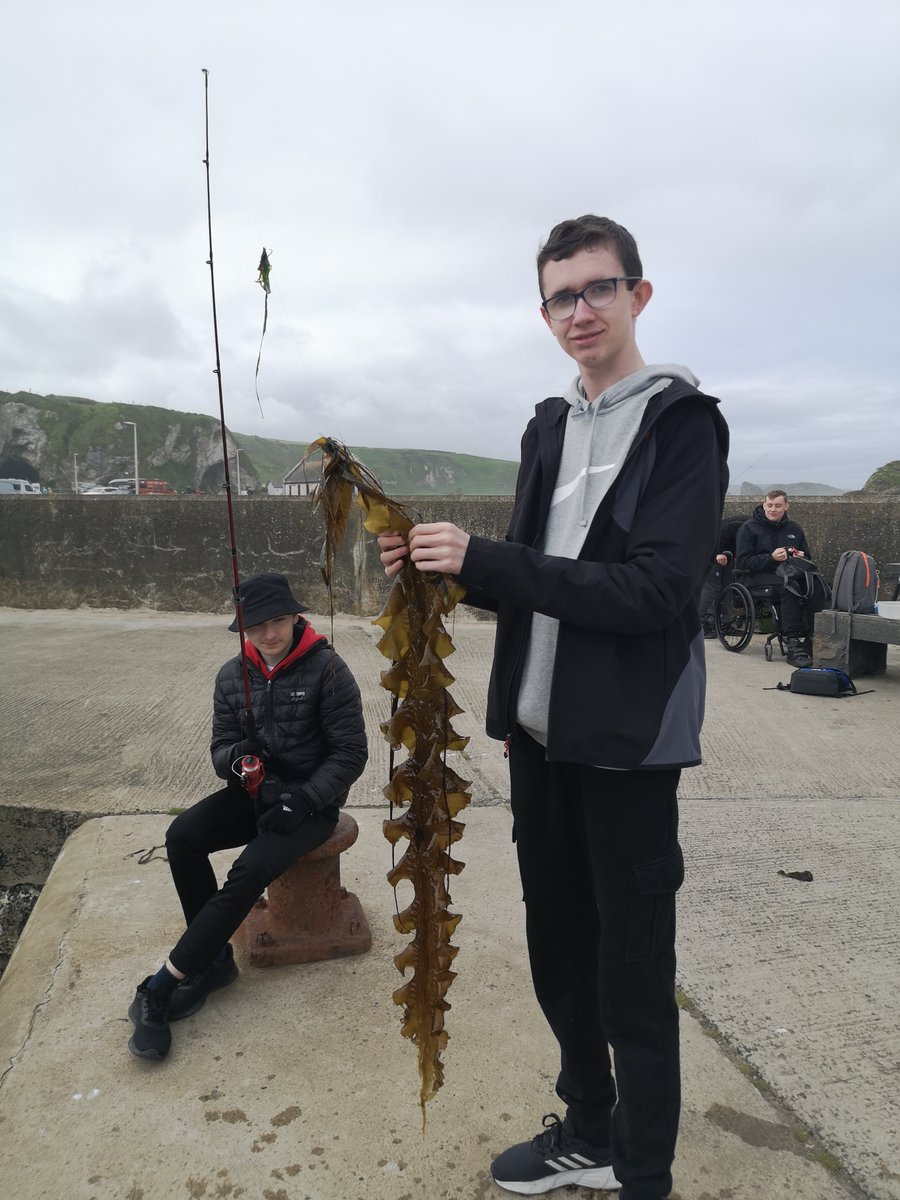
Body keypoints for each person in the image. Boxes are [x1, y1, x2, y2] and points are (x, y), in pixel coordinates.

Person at [379, 215, 729, 1200]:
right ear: (544, 311)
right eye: (560, 296)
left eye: (598, 288)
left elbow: (655, 590)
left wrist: (489, 557)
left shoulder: (684, 427)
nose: (580, 311)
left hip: (625, 751)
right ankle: (586, 1128)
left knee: (632, 982)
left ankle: (645, 1175)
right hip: (536, 742)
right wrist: (441, 573)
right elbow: (527, 584)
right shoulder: (546, 427)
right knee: (558, 951)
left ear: (638, 296)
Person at [127, 572, 367, 1061]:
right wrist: (237, 758)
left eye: (277, 620)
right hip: (254, 794)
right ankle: (212, 961)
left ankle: (161, 983)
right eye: (254, 625)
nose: (268, 634)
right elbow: (218, 749)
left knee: (250, 869)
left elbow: (350, 754)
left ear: (296, 617)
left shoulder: (328, 671)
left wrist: (302, 801)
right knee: (182, 836)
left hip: (310, 806)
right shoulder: (229, 676)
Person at [734, 490, 814, 665]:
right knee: (789, 587)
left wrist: (799, 556)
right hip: (758, 576)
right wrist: (771, 558)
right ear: (764, 505)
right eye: (769, 505)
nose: (773, 509)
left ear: (786, 506)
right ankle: (792, 642)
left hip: (790, 571)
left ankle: (812, 638)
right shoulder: (748, 528)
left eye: (778, 506)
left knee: (817, 586)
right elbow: (742, 562)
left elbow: (808, 557)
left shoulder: (794, 528)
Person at [699, 514, 747, 638]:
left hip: (727, 556)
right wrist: (717, 553)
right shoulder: (742, 524)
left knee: (727, 589)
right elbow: (722, 531)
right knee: (712, 588)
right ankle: (700, 622)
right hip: (714, 552)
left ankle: (723, 624)